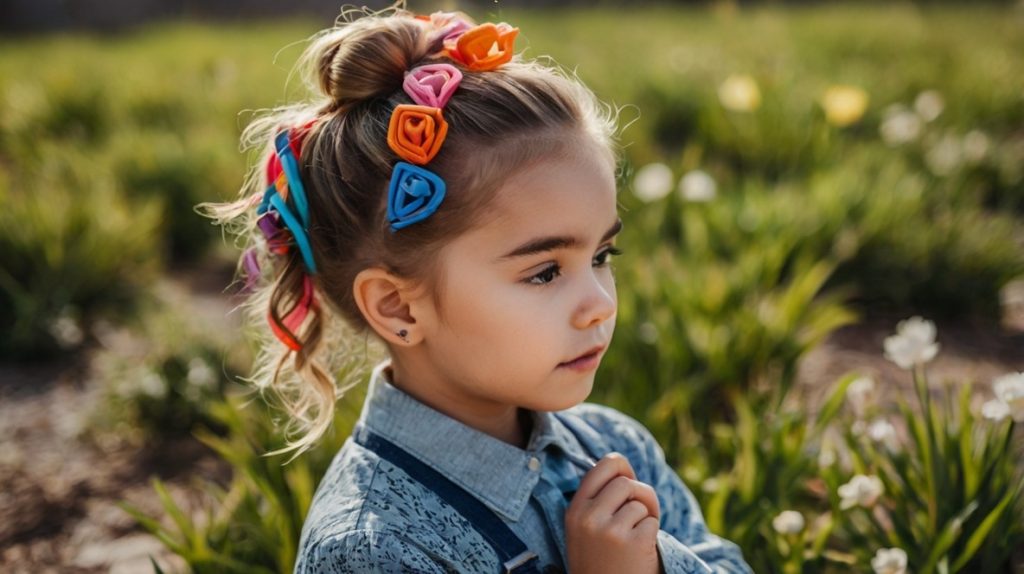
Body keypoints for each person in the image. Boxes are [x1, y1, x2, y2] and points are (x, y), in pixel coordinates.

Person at [203, 3, 752, 572]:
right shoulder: (369, 548)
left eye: (602, 255)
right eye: (544, 272)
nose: (600, 305)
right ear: (397, 307)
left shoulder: (616, 449)